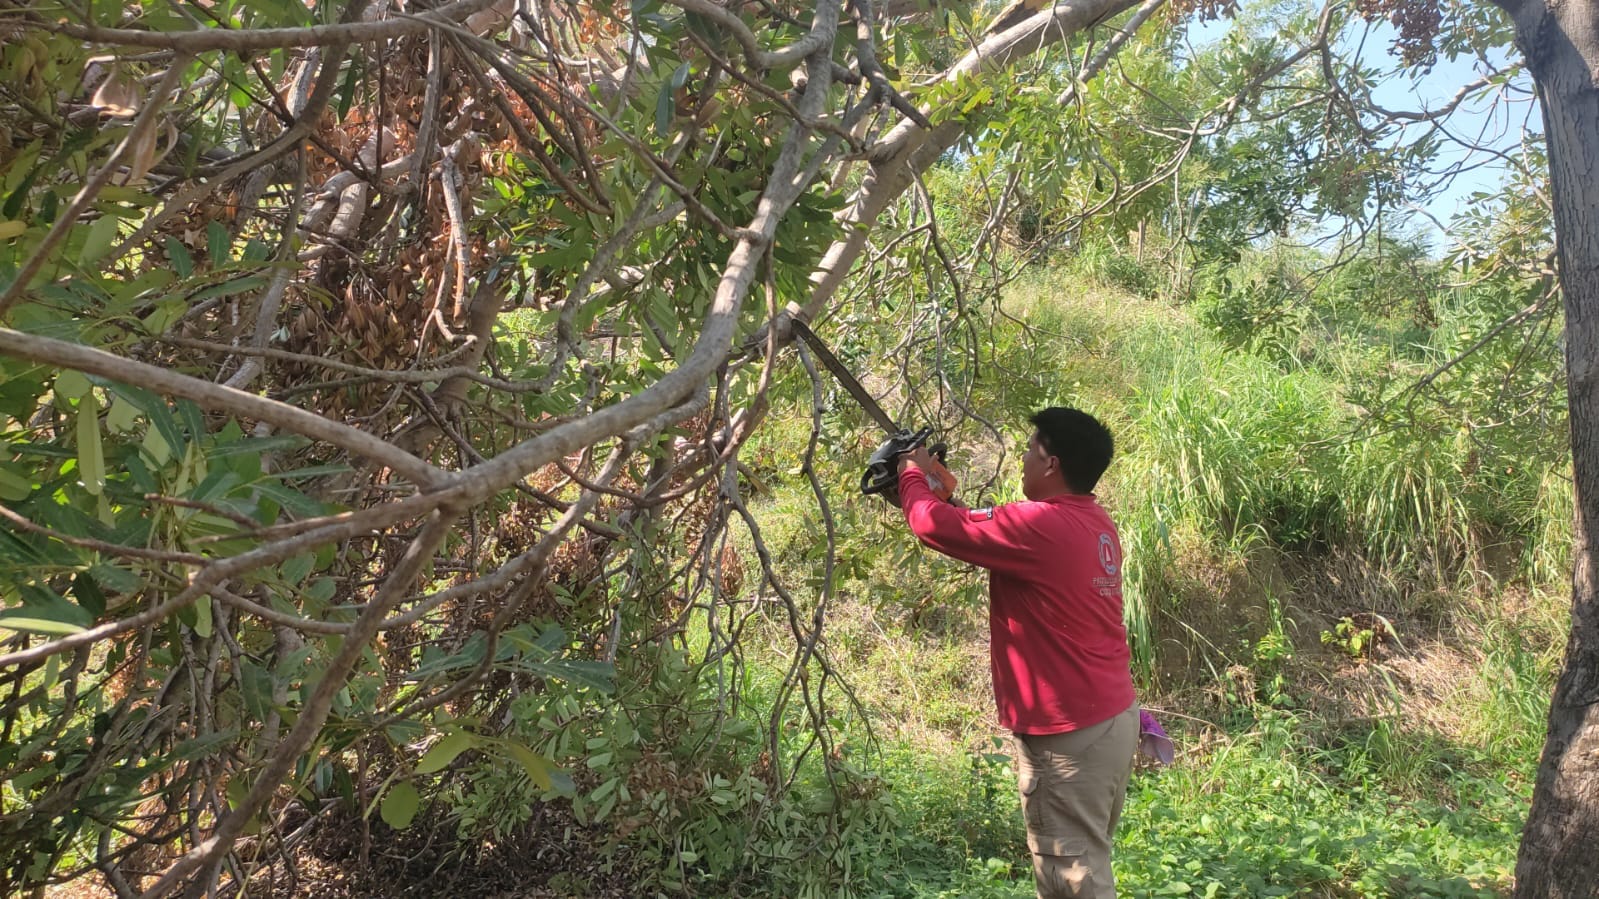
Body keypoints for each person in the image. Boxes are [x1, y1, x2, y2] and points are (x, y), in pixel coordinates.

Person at [896, 407, 1138, 899]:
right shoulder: (1093, 522)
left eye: (1031, 449)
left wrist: (910, 475)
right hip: (1108, 718)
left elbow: (931, 526)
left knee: (1073, 878)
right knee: (1085, 860)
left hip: (1068, 734)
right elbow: (973, 529)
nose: (1024, 459)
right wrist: (939, 492)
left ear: (1052, 465)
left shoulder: (1039, 525)